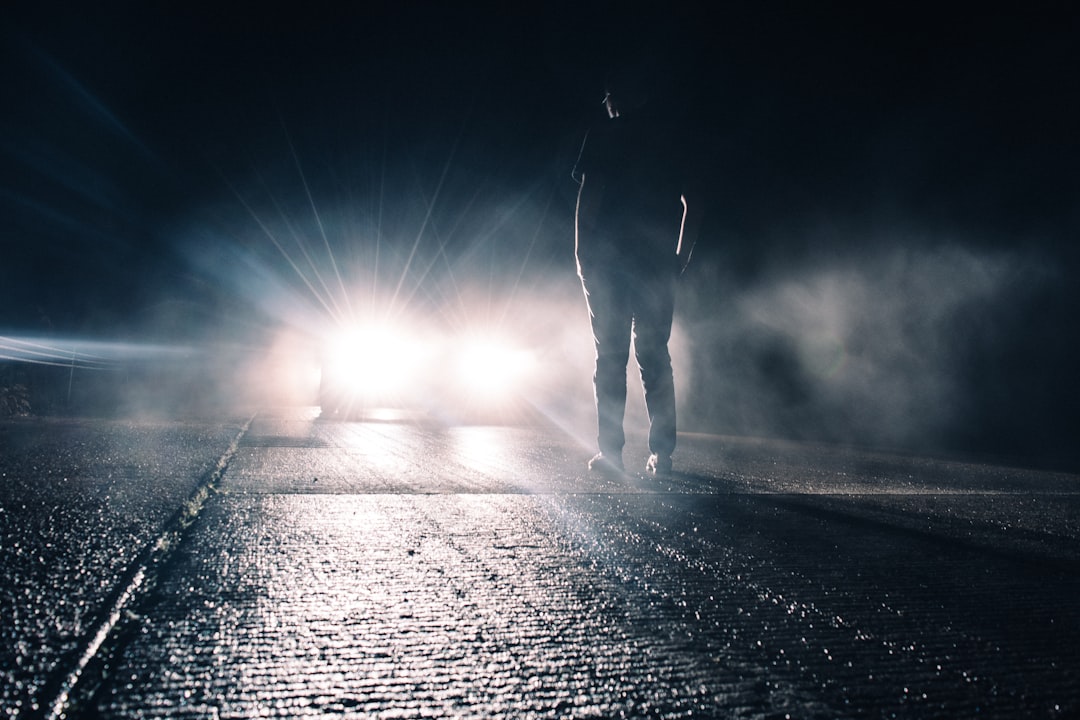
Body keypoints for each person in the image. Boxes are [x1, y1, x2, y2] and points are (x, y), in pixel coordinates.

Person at [572, 71, 699, 477]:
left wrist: (582, 253)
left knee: (610, 358)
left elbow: (589, 195)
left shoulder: (604, 134)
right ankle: (663, 455)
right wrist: (679, 257)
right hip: (656, 263)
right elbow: (693, 203)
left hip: (609, 261)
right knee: (654, 357)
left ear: (612, 99)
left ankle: (611, 454)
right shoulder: (673, 139)